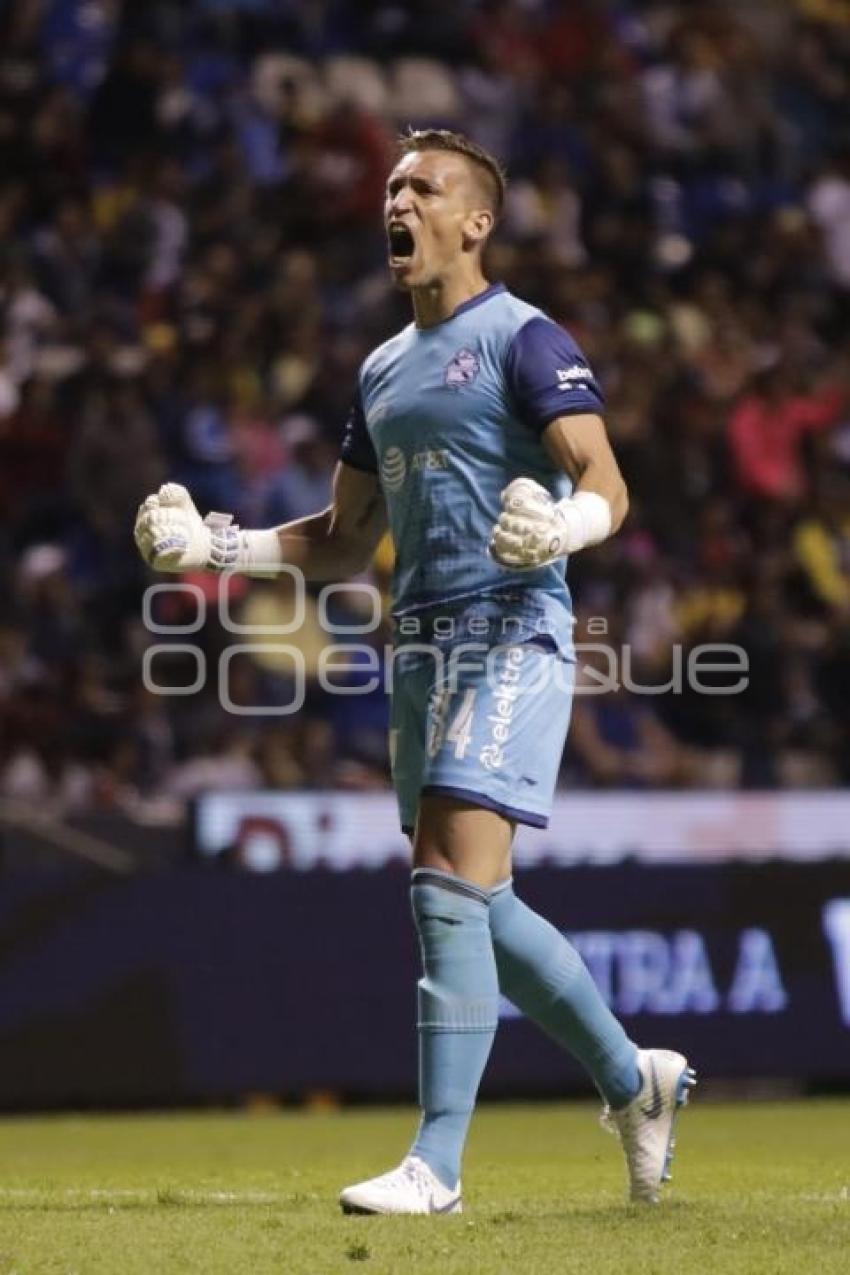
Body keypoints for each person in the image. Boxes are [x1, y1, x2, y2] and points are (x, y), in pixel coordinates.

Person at [134, 129, 695, 1214]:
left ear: (473, 221)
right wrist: (219, 547)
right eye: (392, 187)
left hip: (515, 632)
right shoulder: (382, 369)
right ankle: (637, 1083)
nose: (399, 200)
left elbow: (608, 484)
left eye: (423, 187)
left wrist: (565, 526)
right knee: (474, 901)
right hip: (421, 647)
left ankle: (434, 1166)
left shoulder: (525, 339)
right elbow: (344, 539)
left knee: (442, 880)